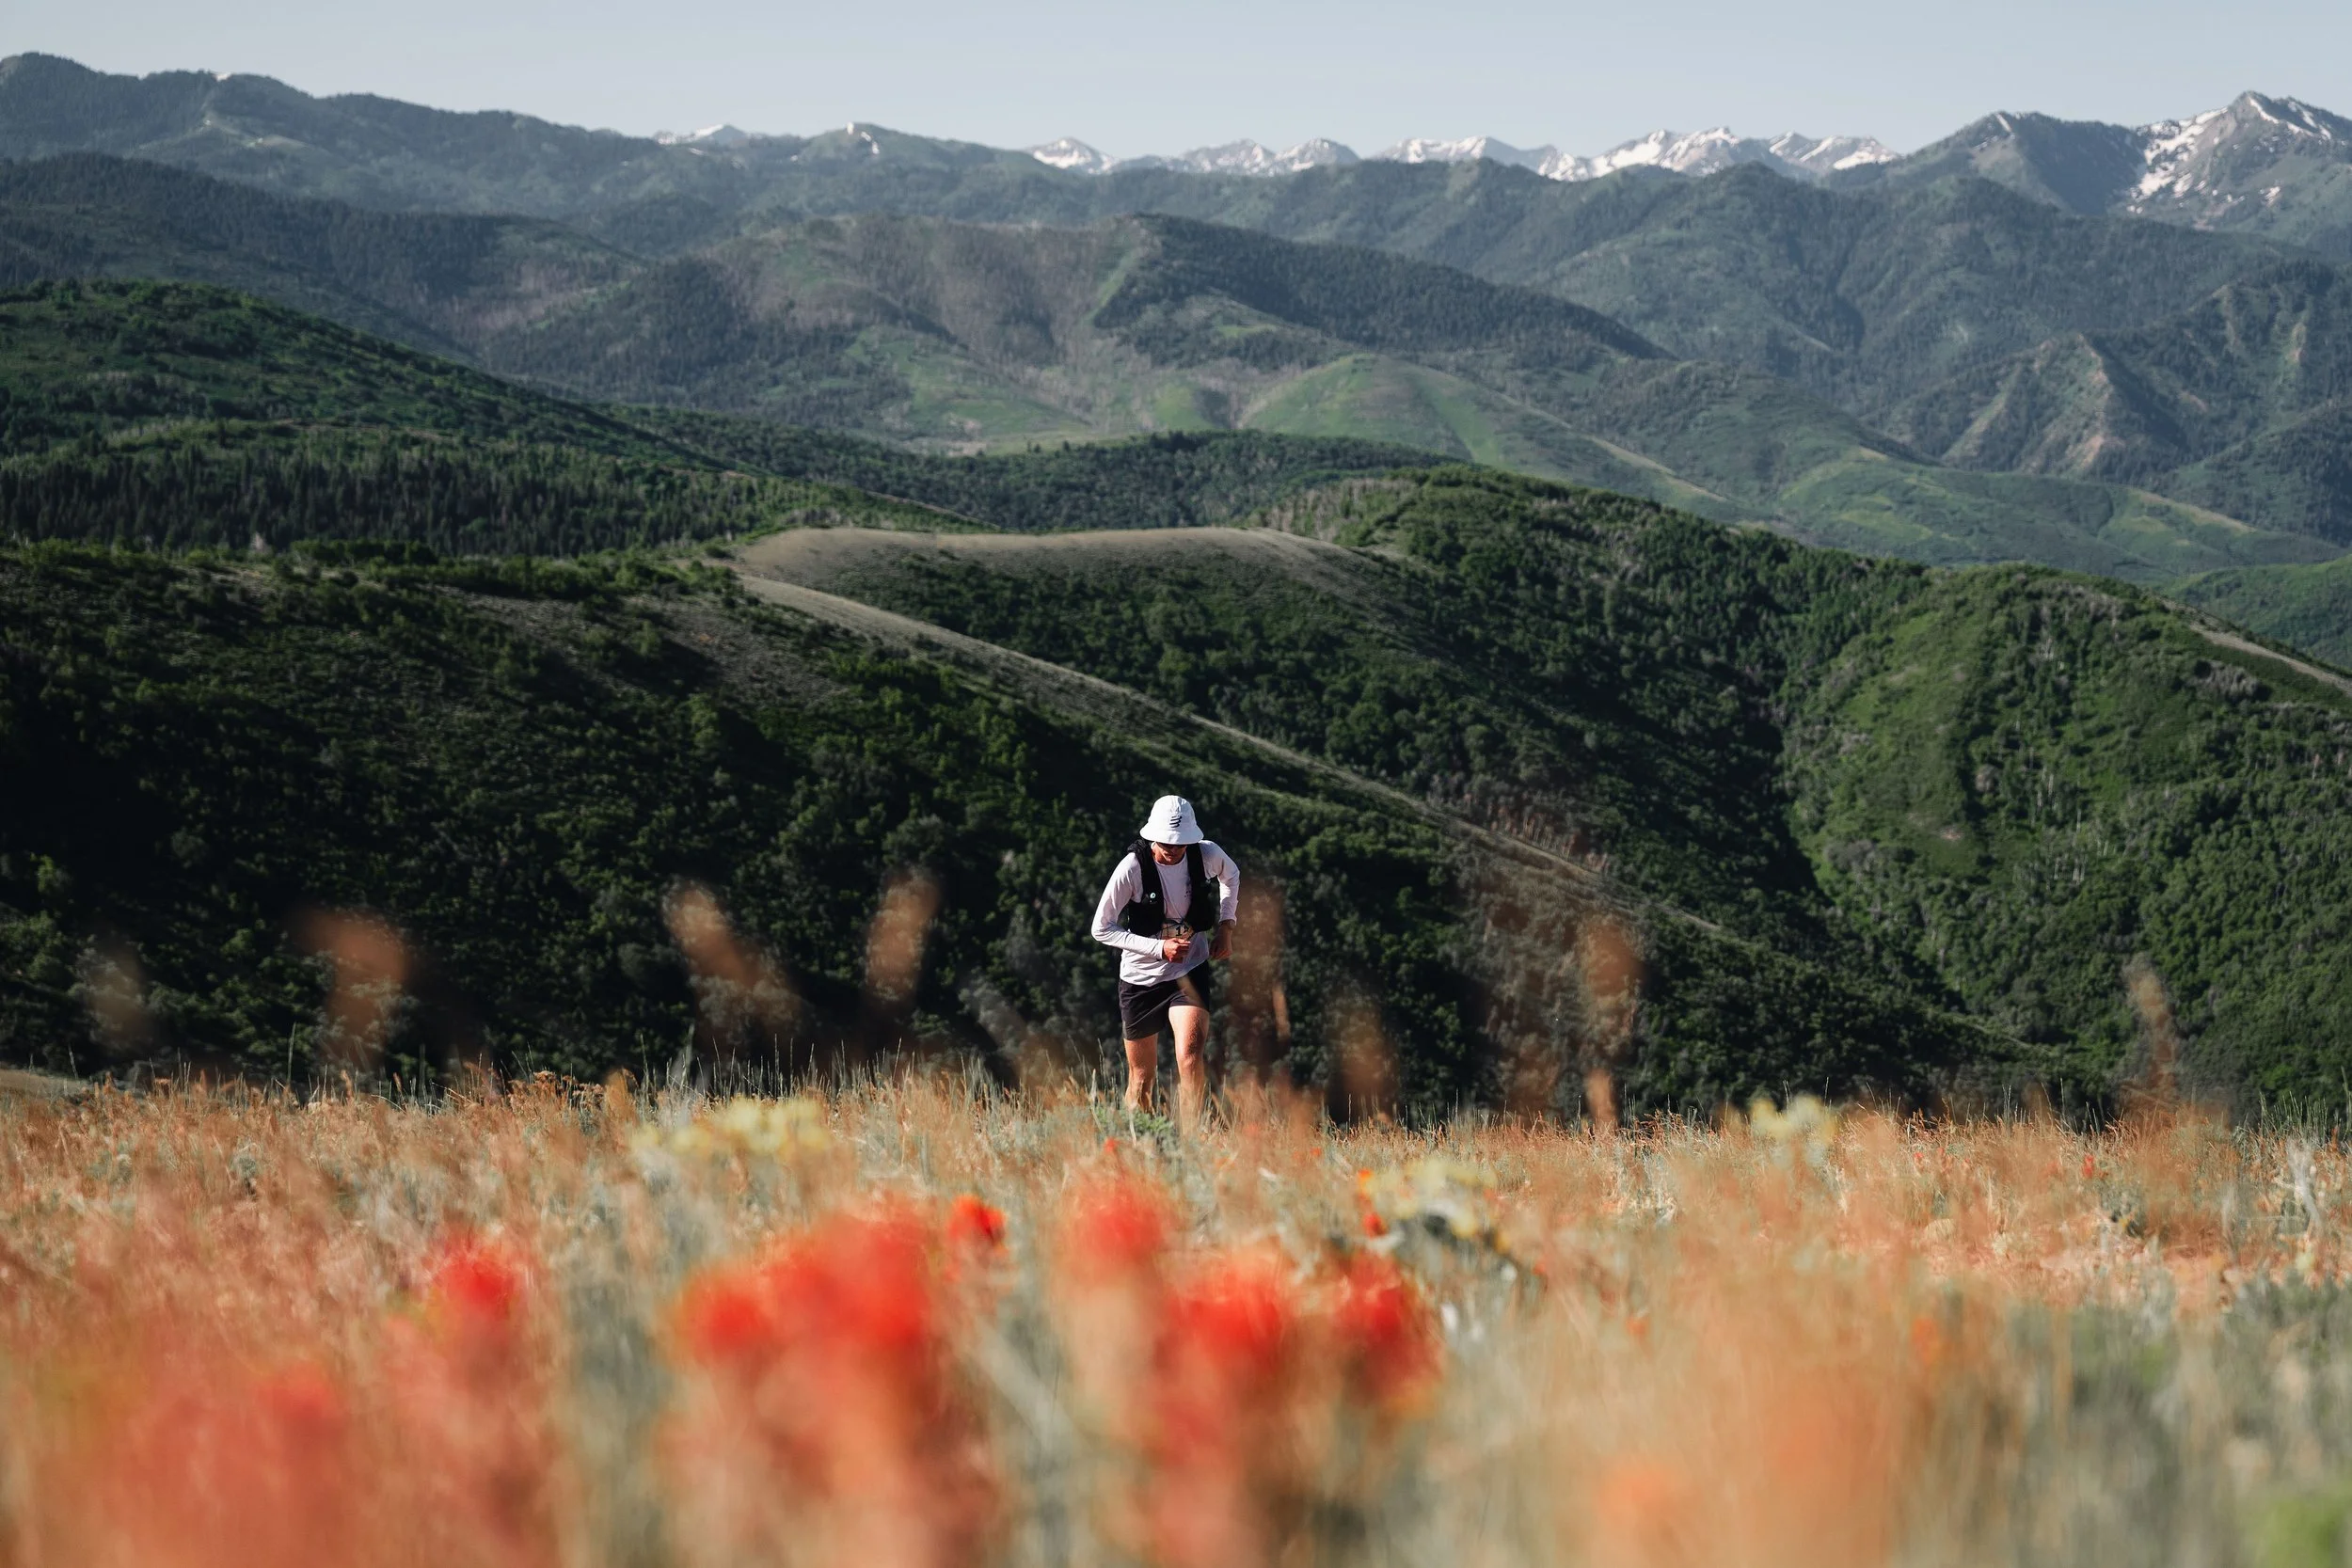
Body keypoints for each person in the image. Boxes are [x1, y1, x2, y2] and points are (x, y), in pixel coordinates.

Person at [1089, 796, 1239, 1130]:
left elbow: (1231, 875)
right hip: (1140, 979)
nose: (1173, 849)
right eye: (1166, 842)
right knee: (1142, 1079)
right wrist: (1159, 949)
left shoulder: (1206, 854)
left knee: (1190, 1059)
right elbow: (1101, 928)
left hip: (1189, 970)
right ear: (1152, 836)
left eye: (1181, 843)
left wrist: (1226, 927)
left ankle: (1192, 1141)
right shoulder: (1133, 868)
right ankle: (1135, 1144)